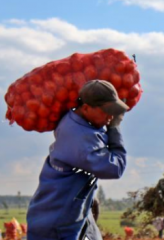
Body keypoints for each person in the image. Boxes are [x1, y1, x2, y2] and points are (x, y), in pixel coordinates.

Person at [27, 80, 129, 240]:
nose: (110, 117)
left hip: (70, 210)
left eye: (113, 111)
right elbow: (115, 168)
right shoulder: (79, 138)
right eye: (106, 111)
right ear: (86, 108)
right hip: (57, 220)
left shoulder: (77, 120)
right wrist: (114, 129)